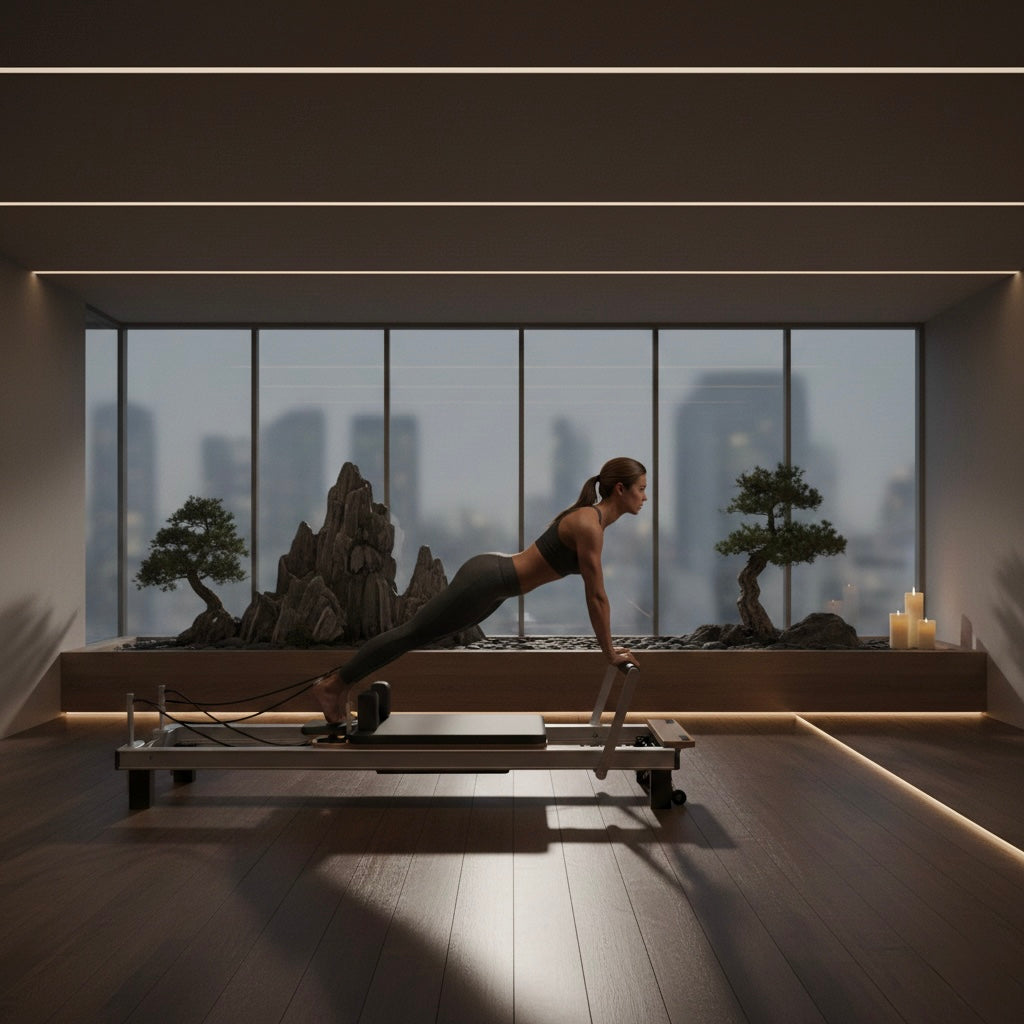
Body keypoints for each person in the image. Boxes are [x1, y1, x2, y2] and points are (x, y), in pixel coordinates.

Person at [313, 456, 648, 723]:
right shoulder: (589, 526)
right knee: (412, 633)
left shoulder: (594, 522)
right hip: (487, 580)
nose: (645, 497)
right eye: (641, 489)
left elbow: (596, 595)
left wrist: (609, 648)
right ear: (620, 489)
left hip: (496, 590)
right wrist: (609, 652)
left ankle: (340, 685)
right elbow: (597, 596)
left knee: (420, 636)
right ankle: (334, 686)